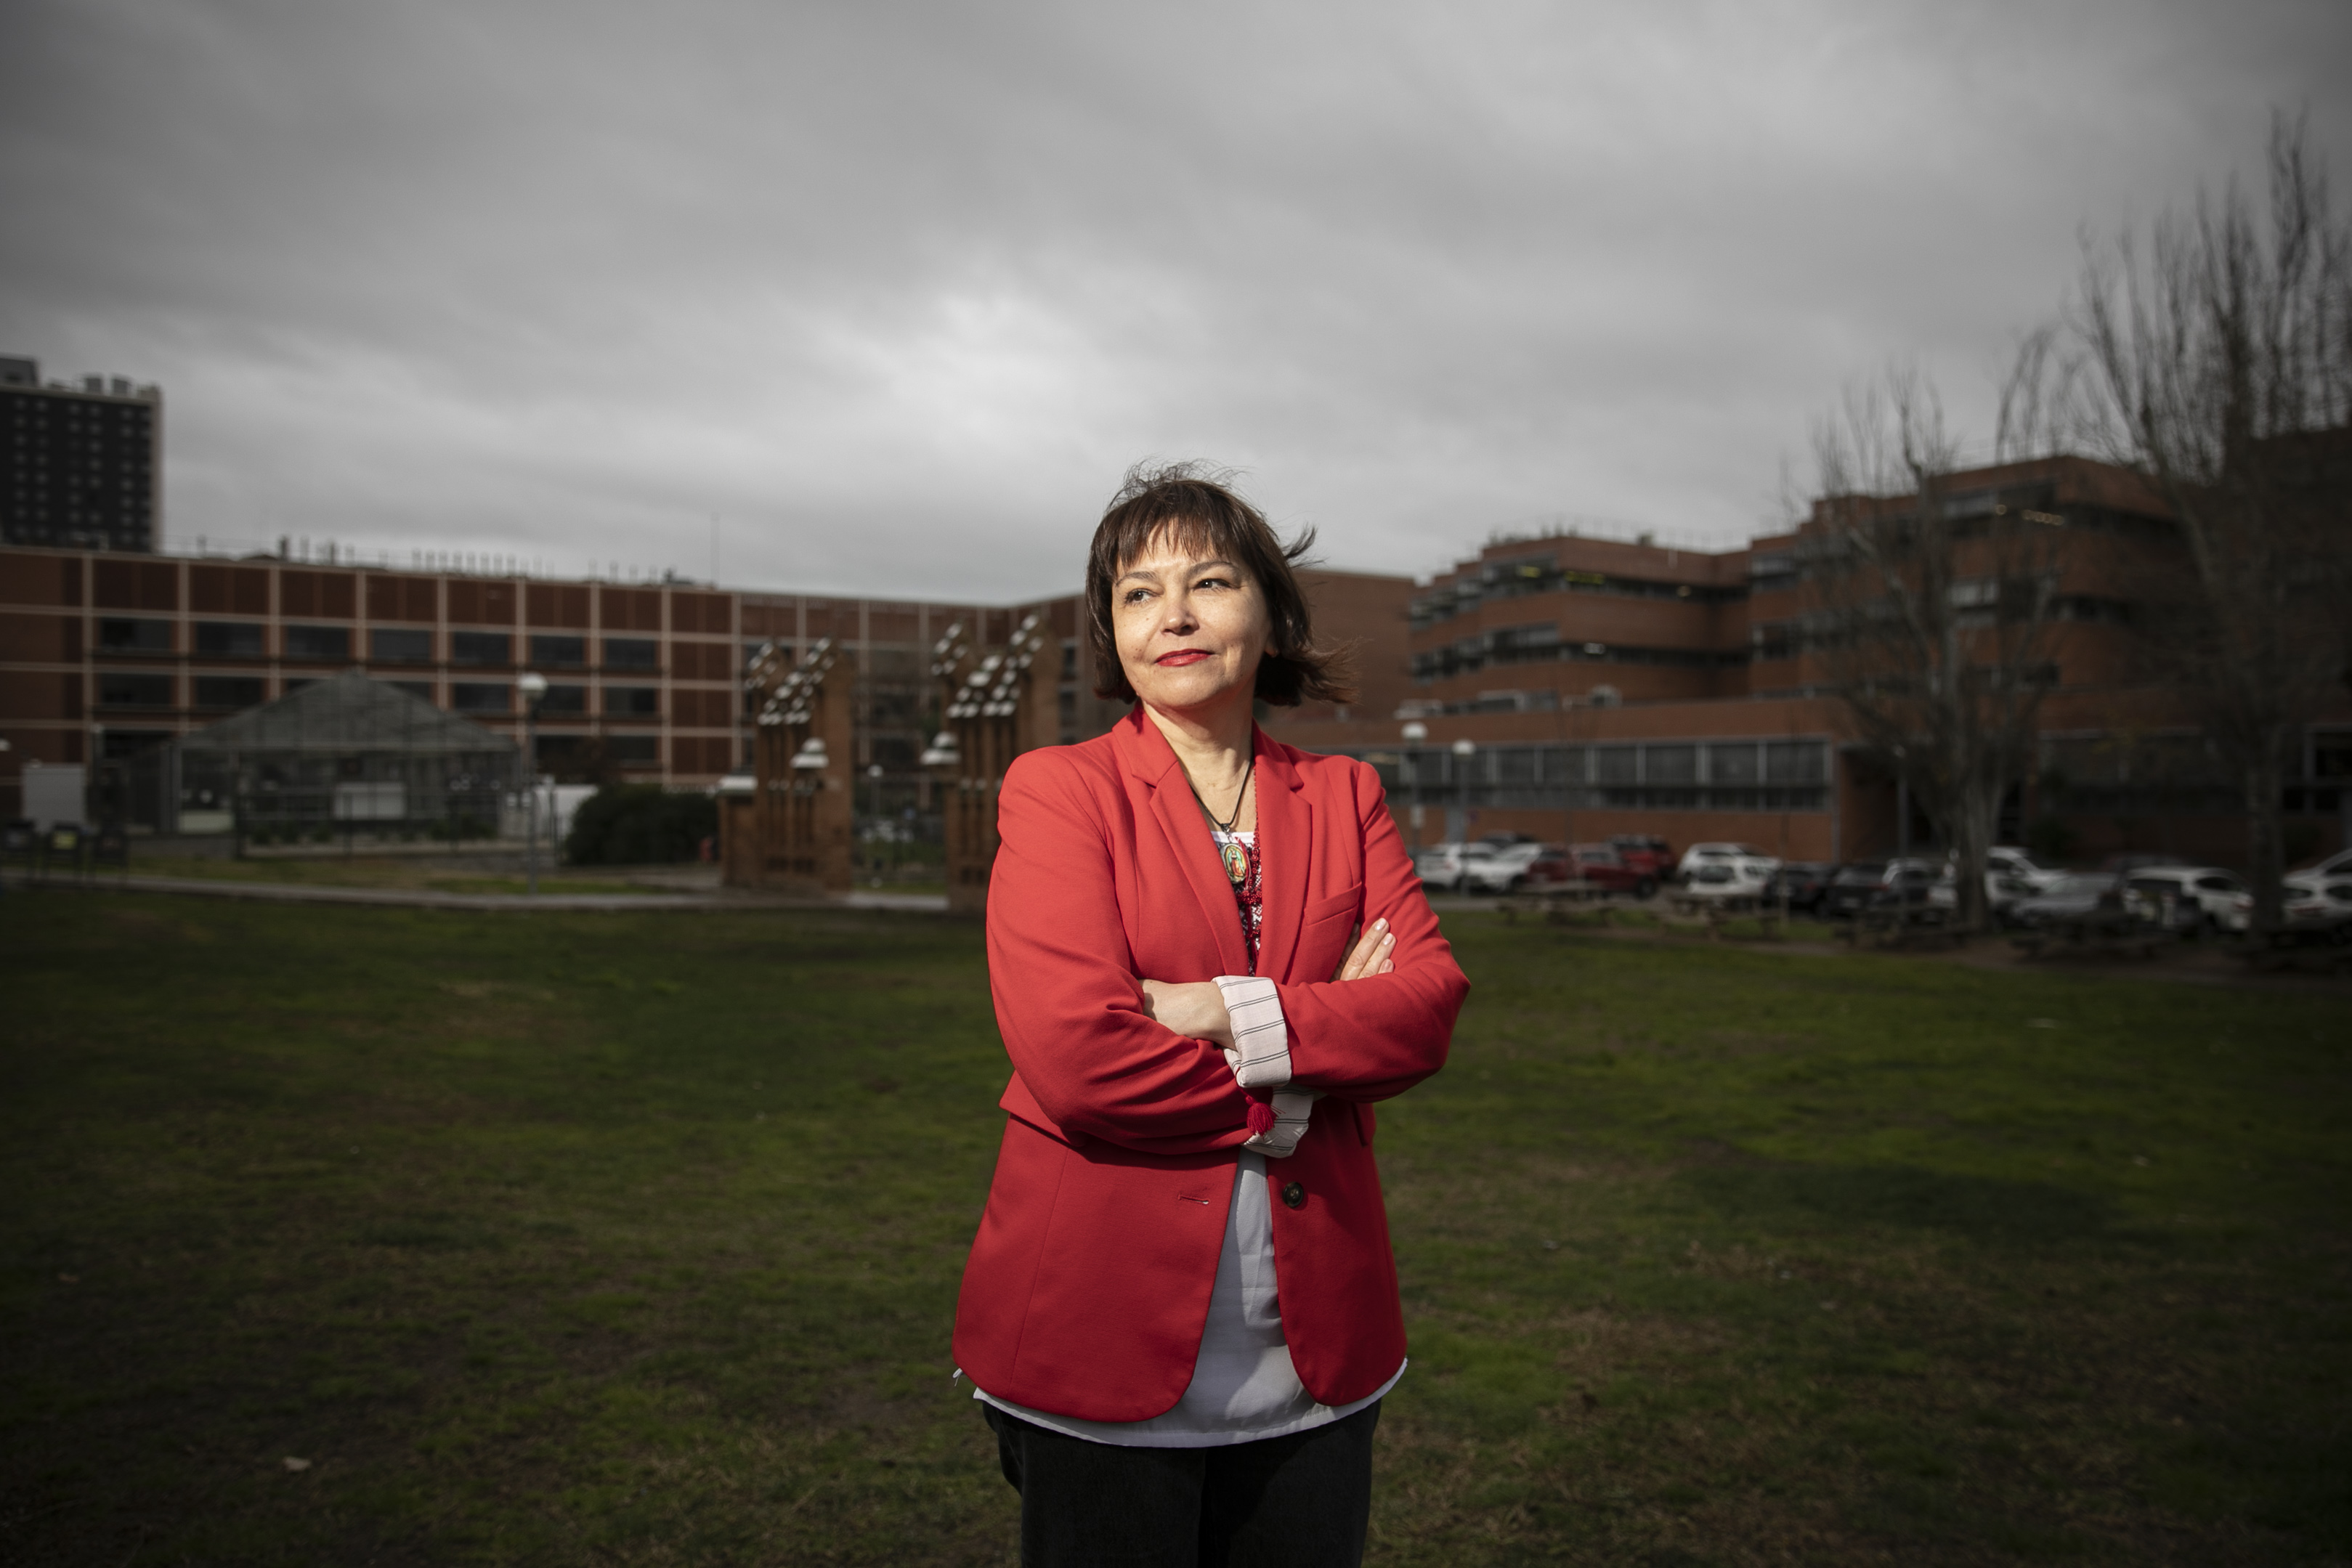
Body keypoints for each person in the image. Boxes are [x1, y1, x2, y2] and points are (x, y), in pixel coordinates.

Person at [952, 463, 1469, 1566]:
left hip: (1316, 1355)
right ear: (1111, 631)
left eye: (1211, 581)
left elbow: (1424, 1010)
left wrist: (1219, 1010)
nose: (1174, 615)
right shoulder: (1058, 791)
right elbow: (1081, 1060)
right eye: (1138, 593)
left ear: (1270, 613)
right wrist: (1308, 1062)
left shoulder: (1345, 796)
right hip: (1097, 1333)